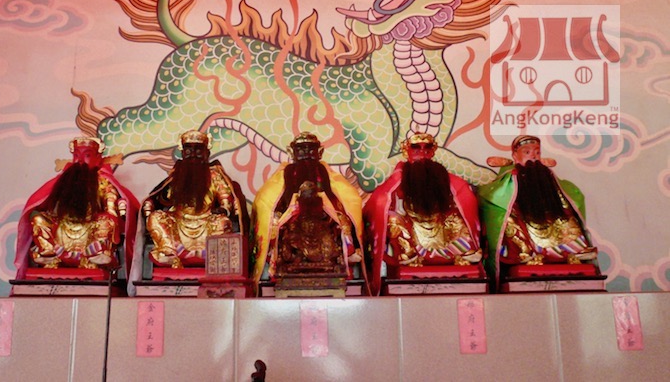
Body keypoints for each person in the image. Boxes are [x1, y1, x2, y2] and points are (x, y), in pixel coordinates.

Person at [363, 132, 482, 294]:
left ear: (433, 151)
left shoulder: (450, 182)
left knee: (460, 219)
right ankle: (410, 257)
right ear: (406, 151)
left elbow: (465, 207)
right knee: (392, 220)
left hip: (443, 233)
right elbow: (378, 207)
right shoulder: (394, 185)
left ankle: (460, 254)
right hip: (412, 236)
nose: (422, 152)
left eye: (427, 148)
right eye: (416, 148)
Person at [251, 132, 366, 291]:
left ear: (320, 152)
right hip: (292, 219)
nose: (306, 154)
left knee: (343, 223)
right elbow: (267, 202)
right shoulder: (285, 174)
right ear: (292, 152)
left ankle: (347, 255)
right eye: (301, 150)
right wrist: (283, 213)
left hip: (324, 218)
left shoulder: (327, 174)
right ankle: (274, 259)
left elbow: (346, 200)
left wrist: (332, 210)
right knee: (274, 225)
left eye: (311, 150)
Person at [14, 137, 139, 280]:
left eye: (87, 155)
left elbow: (111, 212)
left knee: (106, 220)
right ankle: (49, 253)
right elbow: (48, 208)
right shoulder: (64, 181)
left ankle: (95, 256)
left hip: (90, 230)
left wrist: (114, 214)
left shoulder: (103, 183)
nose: (80, 161)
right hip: (62, 228)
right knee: (38, 218)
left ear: (97, 158)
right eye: (76, 156)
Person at [478, 135, 597, 283]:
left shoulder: (546, 175)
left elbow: (570, 197)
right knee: (508, 220)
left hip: (550, 218)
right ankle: (525, 254)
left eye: (537, 152)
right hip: (523, 219)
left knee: (565, 215)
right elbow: (493, 197)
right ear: (515, 156)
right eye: (527, 152)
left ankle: (573, 250)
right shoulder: (510, 177)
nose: (533, 156)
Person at [139, 130, 246, 270]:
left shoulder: (214, 174)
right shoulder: (177, 175)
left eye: (198, 150)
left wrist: (224, 209)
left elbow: (225, 196)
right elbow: (163, 198)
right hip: (179, 222)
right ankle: (170, 251)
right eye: (189, 150)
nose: (193, 154)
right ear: (183, 153)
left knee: (223, 222)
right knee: (156, 218)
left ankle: (209, 254)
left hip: (206, 221)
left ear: (207, 153)